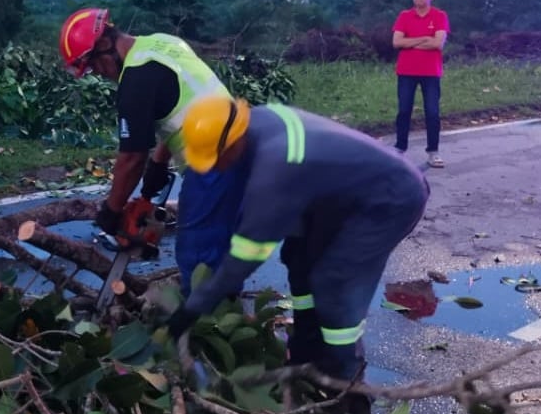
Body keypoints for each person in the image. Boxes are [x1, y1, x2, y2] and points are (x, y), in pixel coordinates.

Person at [165, 95, 430, 391]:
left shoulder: (277, 164)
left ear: (232, 141)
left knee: (334, 279)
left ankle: (346, 384)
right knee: (298, 258)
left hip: (389, 199)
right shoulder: (257, 121)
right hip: (338, 197)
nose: (216, 167)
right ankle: (305, 358)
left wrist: (193, 307)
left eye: (216, 158)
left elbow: (246, 256)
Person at [59, 8, 245, 295]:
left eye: (95, 66)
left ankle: (210, 327)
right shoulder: (161, 44)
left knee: (198, 261)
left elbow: (132, 157)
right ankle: (223, 314)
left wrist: (111, 211)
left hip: (215, 166)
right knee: (217, 252)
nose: (99, 74)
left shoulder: (135, 81)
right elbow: (182, 104)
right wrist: (156, 170)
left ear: (106, 45)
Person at [392, 0, 449, 168]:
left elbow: (437, 43)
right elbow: (397, 42)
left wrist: (411, 41)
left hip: (431, 72)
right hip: (406, 71)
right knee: (404, 111)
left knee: (432, 112)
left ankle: (433, 152)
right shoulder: (404, 16)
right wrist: (424, 38)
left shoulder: (439, 16)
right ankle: (399, 148)